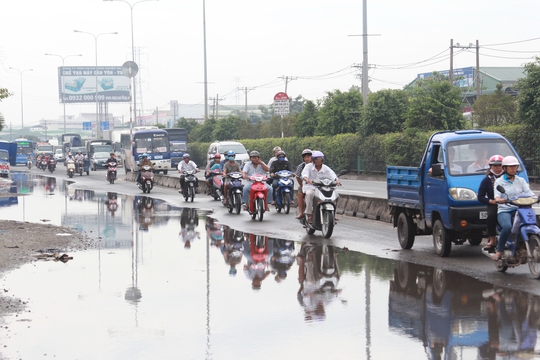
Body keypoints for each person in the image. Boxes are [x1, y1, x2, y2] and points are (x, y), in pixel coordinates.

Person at [492, 155, 535, 261]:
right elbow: (497, 194)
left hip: (520, 209)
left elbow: (529, 193)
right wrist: (498, 199)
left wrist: (535, 197)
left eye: (515, 166)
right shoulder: (499, 181)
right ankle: (499, 251)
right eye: (510, 167)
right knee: (507, 227)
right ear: (504, 168)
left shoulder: (521, 181)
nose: (513, 168)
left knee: (532, 223)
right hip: (505, 209)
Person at [301, 150, 341, 224]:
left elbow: (332, 175)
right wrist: (307, 180)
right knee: (309, 194)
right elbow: (304, 175)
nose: (318, 160)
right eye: (316, 159)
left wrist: (337, 181)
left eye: (320, 158)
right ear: (313, 160)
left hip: (322, 188)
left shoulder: (325, 168)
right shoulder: (308, 166)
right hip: (310, 187)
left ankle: (333, 214)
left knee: (336, 195)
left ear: (322, 159)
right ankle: (309, 214)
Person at [477, 155, 504, 252]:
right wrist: (491, 201)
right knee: (491, 216)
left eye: (500, 165)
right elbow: (480, 196)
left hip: (509, 203)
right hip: (494, 204)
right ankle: (492, 240)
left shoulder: (509, 177)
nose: (498, 168)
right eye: (495, 166)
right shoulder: (487, 180)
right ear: (490, 166)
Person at [295, 149, 312, 219]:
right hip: (305, 185)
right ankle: (301, 212)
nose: (307, 158)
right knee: (300, 193)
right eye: (305, 157)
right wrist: (301, 185)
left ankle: (332, 214)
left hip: (316, 185)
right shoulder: (301, 166)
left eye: (308, 157)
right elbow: (298, 176)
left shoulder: (316, 165)